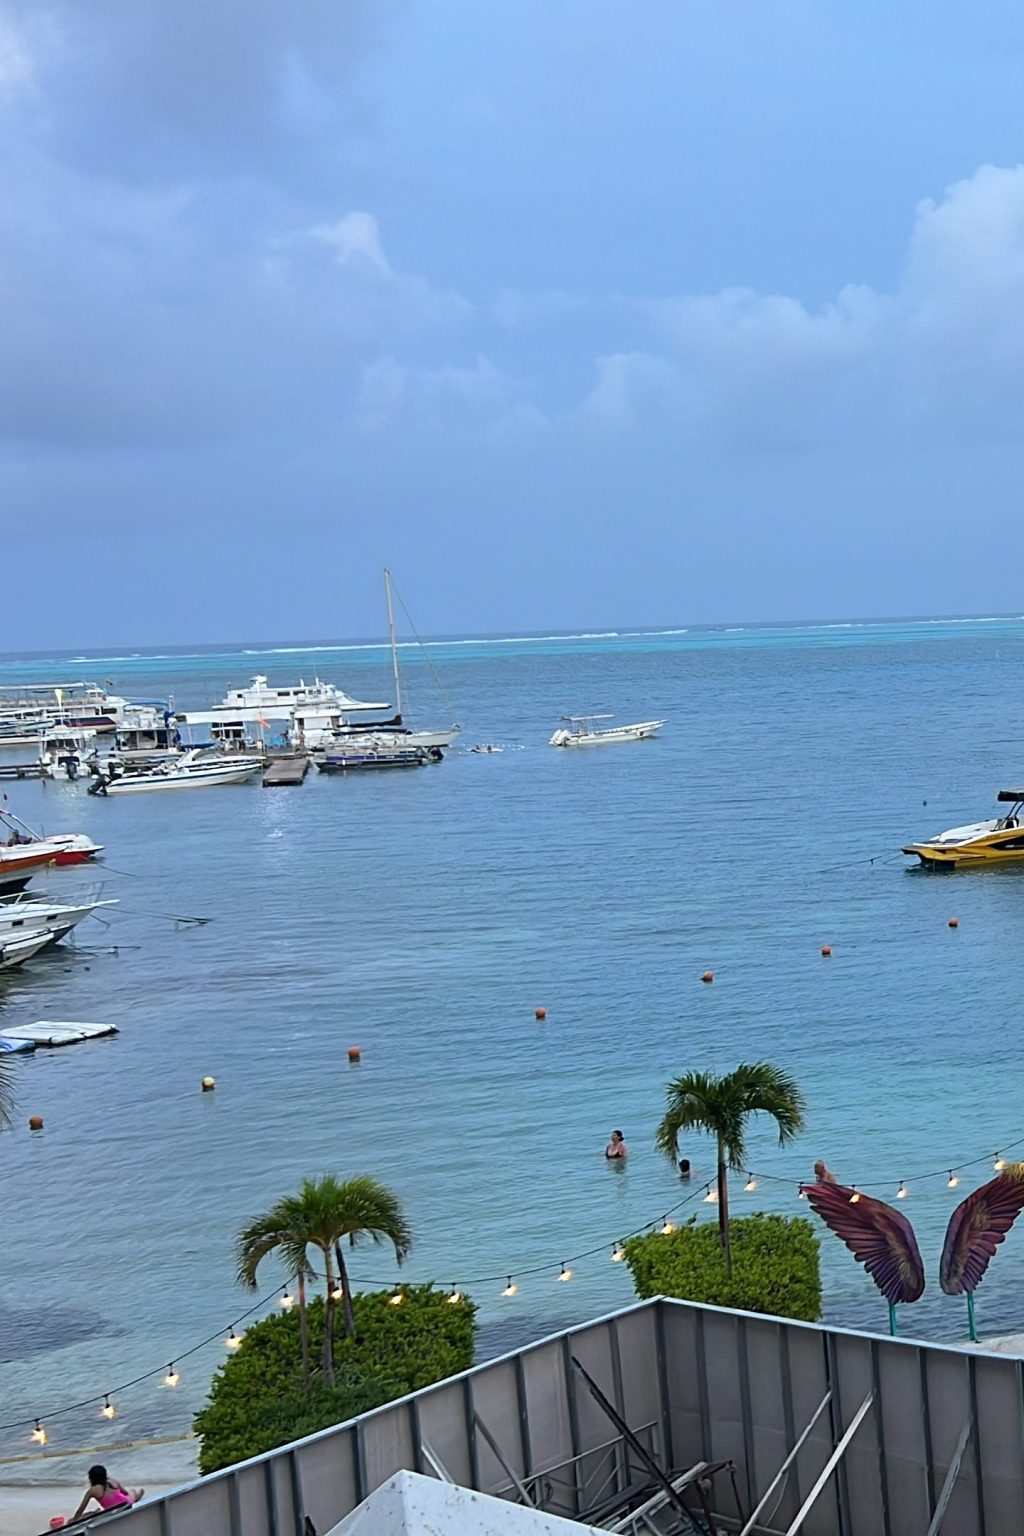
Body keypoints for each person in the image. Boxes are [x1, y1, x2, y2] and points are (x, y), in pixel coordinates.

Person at [69, 1466, 144, 1522]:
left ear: (91, 1478)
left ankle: (140, 1491)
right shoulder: (112, 1481)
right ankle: (140, 1491)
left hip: (112, 1511)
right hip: (126, 1504)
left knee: (133, 1492)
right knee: (132, 1492)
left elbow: (81, 1508)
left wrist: (74, 1520)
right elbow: (125, 1492)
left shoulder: (92, 1490)